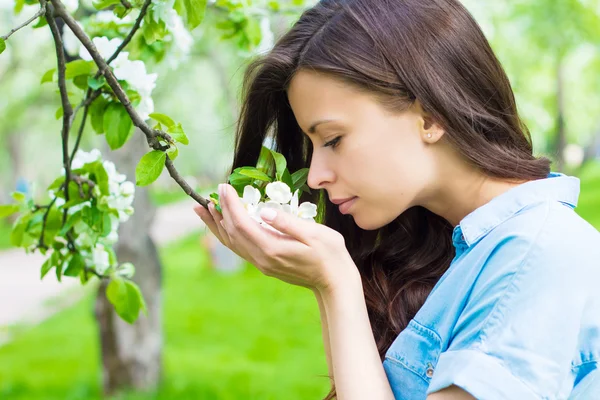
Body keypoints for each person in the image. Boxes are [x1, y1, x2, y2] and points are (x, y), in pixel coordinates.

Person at [193, 0, 600, 399]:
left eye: (333, 139)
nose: (316, 176)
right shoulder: (459, 247)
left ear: (430, 117)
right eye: (313, 146)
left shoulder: (537, 257)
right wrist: (324, 282)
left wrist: (335, 281)